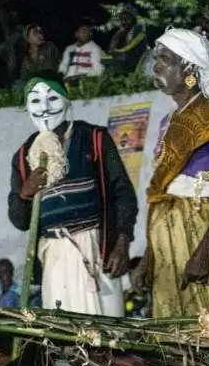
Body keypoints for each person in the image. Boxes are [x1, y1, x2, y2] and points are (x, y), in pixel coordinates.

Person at [131, 29, 209, 319]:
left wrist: (204, 252)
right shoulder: (167, 121)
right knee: (168, 322)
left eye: (165, 59)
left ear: (188, 68)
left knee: (204, 322)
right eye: (156, 59)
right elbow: (161, 193)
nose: (156, 66)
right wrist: (149, 257)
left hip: (199, 226)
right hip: (165, 229)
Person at [8, 73, 137, 317]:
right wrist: (25, 193)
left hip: (97, 251)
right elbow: (19, 220)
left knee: (107, 334)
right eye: (35, 101)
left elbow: (123, 193)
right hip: (54, 257)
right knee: (66, 334)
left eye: (52, 98)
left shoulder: (94, 139)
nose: (44, 108)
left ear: (67, 100)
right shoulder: (24, 156)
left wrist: (121, 244)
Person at [104, 4, 148, 74]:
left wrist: (117, 51)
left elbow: (130, 46)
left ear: (133, 19)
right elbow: (111, 49)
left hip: (135, 62)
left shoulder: (138, 29)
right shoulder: (121, 32)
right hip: (123, 59)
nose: (124, 21)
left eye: (127, 19)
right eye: (122, 19)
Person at [59, 20, 105, 84]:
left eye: (88, 31)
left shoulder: (95, 49)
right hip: (67, 82)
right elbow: (63, 66)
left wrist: (80, 77)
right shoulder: (69, 49)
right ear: (76, 34)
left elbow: (99, 70)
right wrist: (60, 76)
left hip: (86, 82)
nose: (87, 33)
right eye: (83, 31)